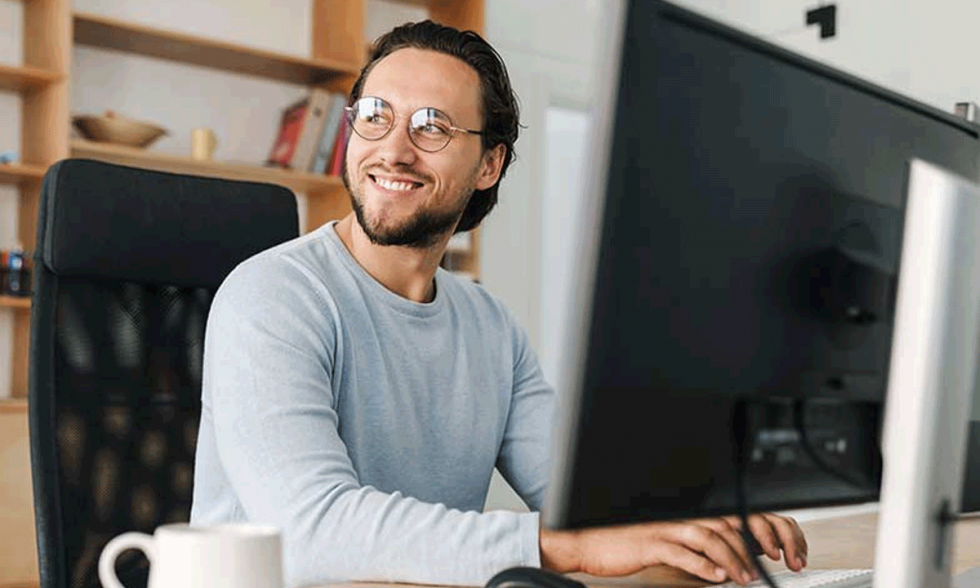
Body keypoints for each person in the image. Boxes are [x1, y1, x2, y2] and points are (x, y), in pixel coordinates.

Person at [190, 19, 808, 588]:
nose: (394, 149)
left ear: (489, 163)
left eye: (432, 126)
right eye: (376, 115)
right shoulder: (272, 296)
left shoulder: (488, 325)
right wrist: (567, 545)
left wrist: (703, 515)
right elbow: (310, 531)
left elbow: (577, 493)